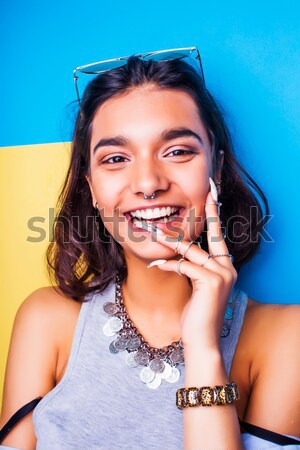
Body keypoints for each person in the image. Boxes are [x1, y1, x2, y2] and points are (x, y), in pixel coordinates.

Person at [0, 47, 299, 450]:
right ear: (91, 189)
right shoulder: (45, 320)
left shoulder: (287, 337)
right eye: (116, 158)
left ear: (216, 170)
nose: (147, 183)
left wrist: (204, 348)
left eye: (177, 151)